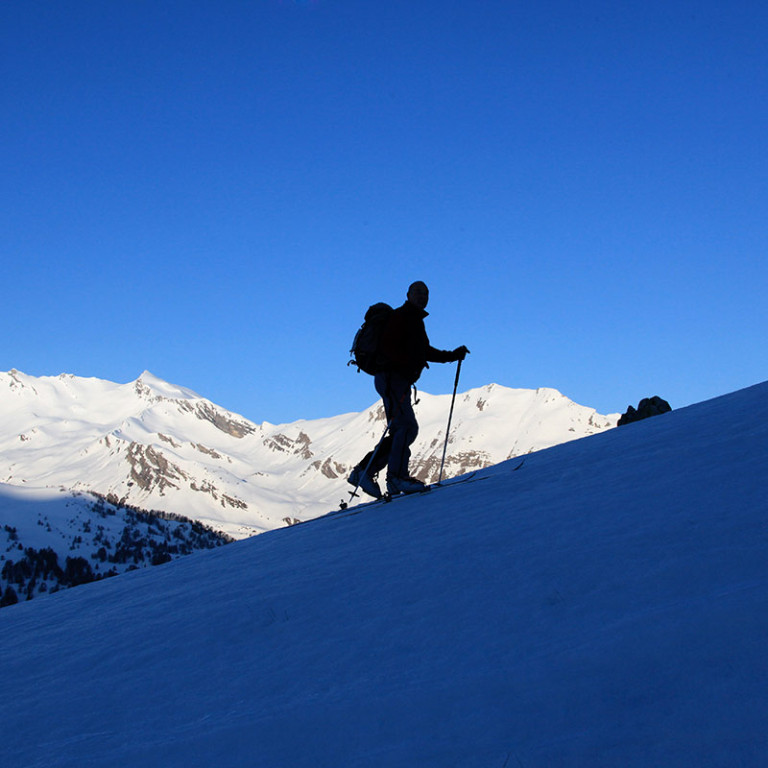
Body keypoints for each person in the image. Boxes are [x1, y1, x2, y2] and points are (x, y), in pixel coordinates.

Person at [348, 281, 469, 498]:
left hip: (392, 379)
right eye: (418, 293)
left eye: (425, 293)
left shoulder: (412, 319)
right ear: (408, 295)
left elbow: (422, 351)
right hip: (393, 379)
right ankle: (396, 477)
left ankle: (366, 472)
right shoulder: (402, 317)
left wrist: (451, 355)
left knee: (402, 430)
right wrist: (405, 367)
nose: (422, 297)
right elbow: (390, 348)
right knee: (405, 427)